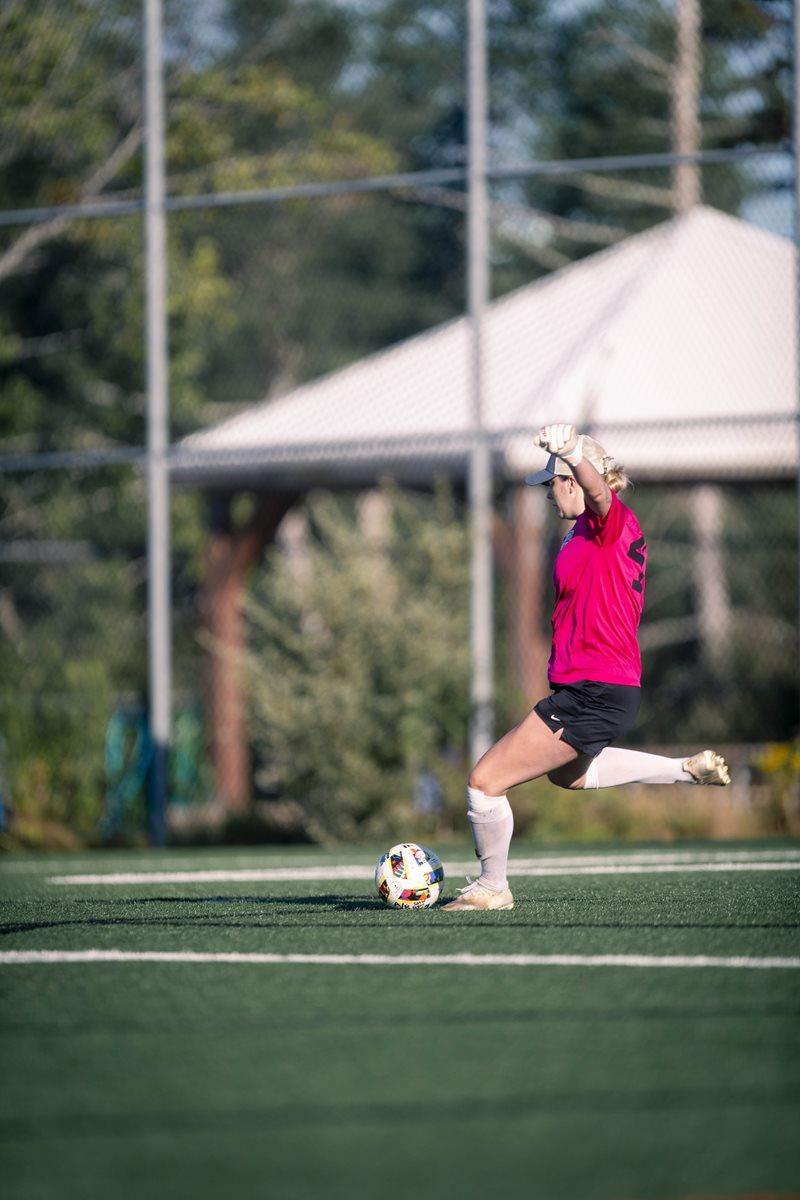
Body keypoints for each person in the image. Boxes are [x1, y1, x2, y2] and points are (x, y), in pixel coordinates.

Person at [443, 422, 730, 912]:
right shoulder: (584, 532)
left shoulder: (607, 522)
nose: (547, 494)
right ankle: (684, 771)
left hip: (594, 689)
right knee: (568, 776)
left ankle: (493, 887)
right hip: (601, 688)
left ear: (573, 481)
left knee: (485, 782)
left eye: (552, 483)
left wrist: (573, 451)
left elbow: (599, 495)